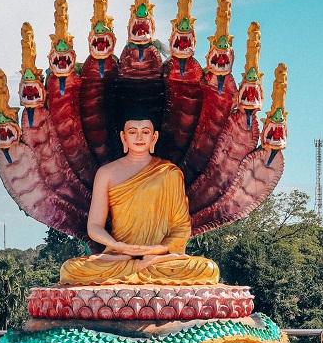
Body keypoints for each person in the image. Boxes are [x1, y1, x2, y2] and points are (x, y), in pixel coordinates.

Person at [59, 115, 219, 286]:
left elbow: (181, 227)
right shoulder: (106, 173)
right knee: (70, 269)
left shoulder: (169, 172)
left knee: (207, 268)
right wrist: (118, 246)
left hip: (158, 257)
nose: (139, 137)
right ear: (123, 137)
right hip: (119, 256)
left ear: (154, 137)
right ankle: (140, 267)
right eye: (133, 132)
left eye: (145, 132)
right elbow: (94, 226)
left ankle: (142, 267)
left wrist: (158, 249)